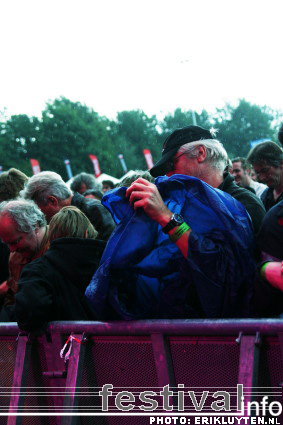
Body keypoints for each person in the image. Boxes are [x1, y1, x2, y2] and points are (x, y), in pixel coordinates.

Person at [86, 125, 257, 320]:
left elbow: (232, 277)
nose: (167, 176)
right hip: (186, 330)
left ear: (201, 153)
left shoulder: (243, 205)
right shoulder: (181, 204)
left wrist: (166, 217)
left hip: (231, 334)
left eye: (171, 165)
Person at [15, 206, 106, 332]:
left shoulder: (37, 270)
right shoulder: (108, 265)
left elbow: (29, 316)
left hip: (57, 348)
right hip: (111, 347)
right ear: (86, 232)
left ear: (51, 236)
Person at [21, 171, 115, 240]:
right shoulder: (94, 210)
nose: (40, 218)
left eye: (39, 211)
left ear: (52, 201)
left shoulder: (96, 212)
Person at [0, 199, 48, 312]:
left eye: (15, 242)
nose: (12, 250)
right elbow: (11, 299)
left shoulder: (58, 247)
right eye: (7, 244)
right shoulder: (15, 258)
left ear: (34, 227)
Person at [247, 141, 283, 211]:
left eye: (265, 170)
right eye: (257, 172)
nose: (261, 177)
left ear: (281, 163)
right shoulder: (265, 196)